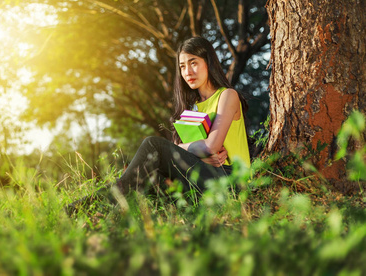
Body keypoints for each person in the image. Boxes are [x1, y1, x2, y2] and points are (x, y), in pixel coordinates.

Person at [67, 36, 250, 212]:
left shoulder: (227, 96)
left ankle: (83, 208)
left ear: (208, 62)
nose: (188, 72)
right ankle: (95, 210)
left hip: (231, 183)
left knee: (153, 145)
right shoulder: (192, 107)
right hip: (204, 177)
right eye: (182, 66)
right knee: (149, 177)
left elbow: (211, 146)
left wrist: (181, 148)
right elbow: (199, 151)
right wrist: (195, 154)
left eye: (193, 63)